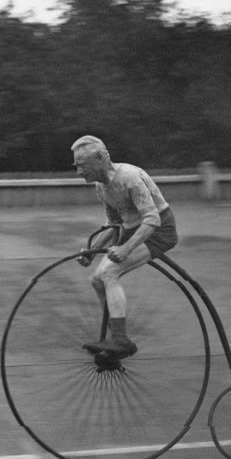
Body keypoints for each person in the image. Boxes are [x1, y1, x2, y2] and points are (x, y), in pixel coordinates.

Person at [72, 135, 178, 357]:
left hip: (158, 232)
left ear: (100, 158)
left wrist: (125, 249)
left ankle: (121, 341)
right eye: (77, 166)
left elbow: (152, 219)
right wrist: (92, 251)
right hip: (131, 231)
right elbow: (113, 224)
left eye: (82, 165)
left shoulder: (129, 177)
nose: (79, 172)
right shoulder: (102, 187)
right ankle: (113, 340)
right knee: (96, 279)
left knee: (110, 273)